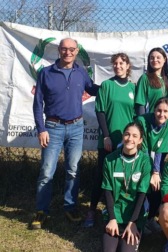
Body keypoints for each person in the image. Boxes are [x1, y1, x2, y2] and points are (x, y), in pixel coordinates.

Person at [32, 38, 99, 229]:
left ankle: (70, 207)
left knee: (73, 170)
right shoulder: (46, 73)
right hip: (52, 127)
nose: (67, 52)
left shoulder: (81, 72)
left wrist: (112, 88)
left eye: (71, 49)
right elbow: (37, 104)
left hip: (76, 127)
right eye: (64, 49)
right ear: (59, 50)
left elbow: (91, 89)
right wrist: (41, 129)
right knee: (46, 172)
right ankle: (41, 211)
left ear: (77, 51)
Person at [83, 53, 136, 228]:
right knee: (102, 175)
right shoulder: (106, 86)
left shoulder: (134, 88)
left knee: (123, 178)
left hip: (127, 142)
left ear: (128, 66)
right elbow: (100, 112)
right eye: (115, 63)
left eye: (121, 63)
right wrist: (106, 136)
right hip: (109, 140)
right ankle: (91, 210)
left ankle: (114, 211)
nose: (118, 66)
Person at [101, 122, 152, 252]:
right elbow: (107, 191)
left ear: (140, 140)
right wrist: (112, 219)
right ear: (123, 136)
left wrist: (133, 222)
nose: (130, 139)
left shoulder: (145, 161)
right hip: (115, 213)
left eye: (135, 136)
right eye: (127, 134)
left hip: (134, 215)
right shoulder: (110, 159)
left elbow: (142, 194)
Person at [136, 97, 168, 234]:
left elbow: (161, 148)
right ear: (154, 110)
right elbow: (144, 150)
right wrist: (151, 173)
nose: (161, 114)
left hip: (154, 158)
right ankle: (139, 221)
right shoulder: (142, 121)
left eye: (165, 111)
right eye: (159, 110)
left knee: (158, 186)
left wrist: (156, 172)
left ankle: (150, 219)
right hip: (139, 157)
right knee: (145, 186)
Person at [135, 48, 168, 115]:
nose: (155, 60)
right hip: (151, 119)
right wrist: (143, 121)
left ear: (164, 59)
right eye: (152, 58)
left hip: (166, 120)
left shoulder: (167, 78)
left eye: (158, 57)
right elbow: (140, 104)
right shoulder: (145, 78)